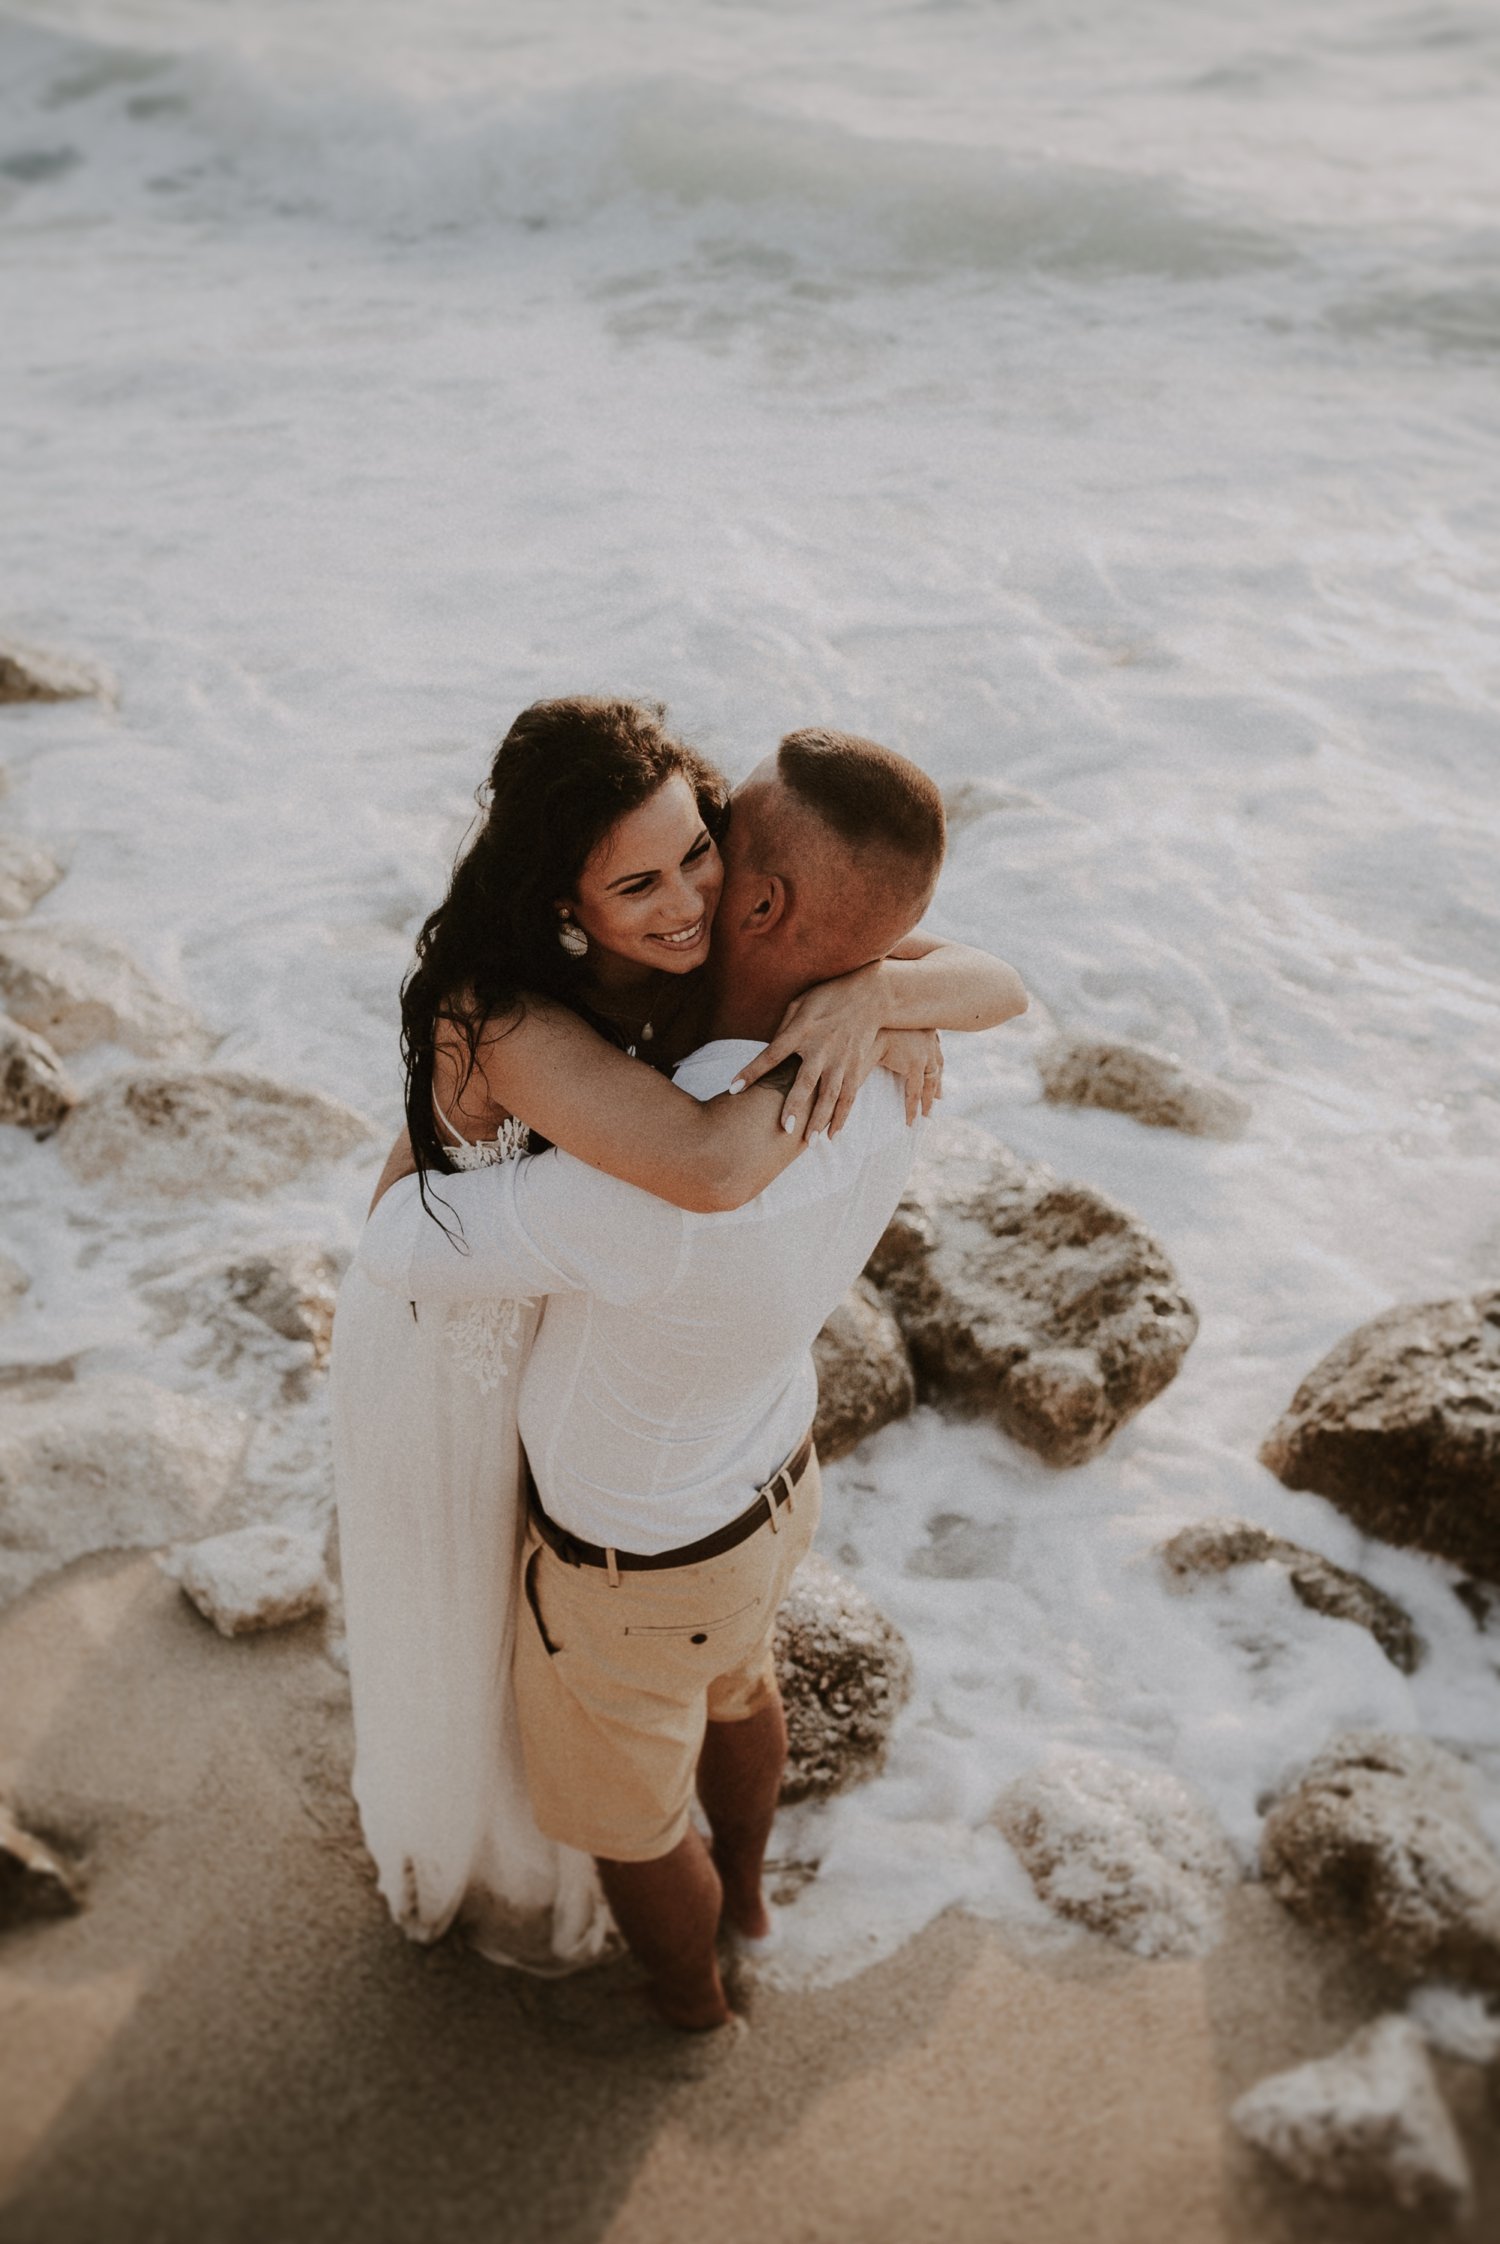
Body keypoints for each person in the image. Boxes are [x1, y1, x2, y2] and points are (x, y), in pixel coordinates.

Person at [353, 723, 1028, 2025]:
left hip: (638, 1561)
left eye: (713, 847)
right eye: (655, 866)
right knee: (742, 1688)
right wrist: (877, 991)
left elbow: (399, 1245)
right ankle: (754, 1900)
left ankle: (693, 2003)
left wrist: (452, 1089)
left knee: (632, 1824)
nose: (693, 879)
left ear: (759, 902)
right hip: (773, 1482)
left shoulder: (641, 1190)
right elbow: (997, 984)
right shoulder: (889, 1064)